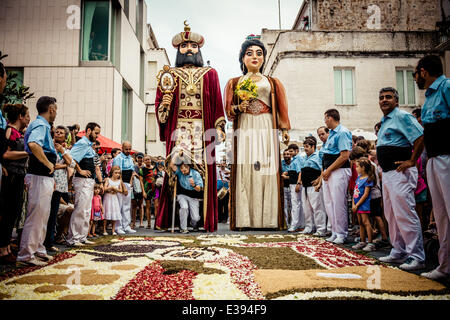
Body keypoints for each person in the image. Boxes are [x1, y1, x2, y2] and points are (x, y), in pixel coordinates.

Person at [155, 23, 225, 233]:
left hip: (201, 131)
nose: (188, 49)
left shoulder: (210, 74)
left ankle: (202, 220)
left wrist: (219, 127)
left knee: (204, 173)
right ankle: (173, 219)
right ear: (178, 50)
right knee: (174, 170)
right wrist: (165, 105)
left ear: (199, 50)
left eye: (193, 46)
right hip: (179, 130)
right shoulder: (169, 75)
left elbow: (217, 104)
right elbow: (161, 108)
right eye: (184, 46)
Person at [224, 35, 290, 230]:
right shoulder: (234, 82)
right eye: (249, 53)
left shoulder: (272, 82)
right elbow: (228, 111)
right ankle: (245, 219)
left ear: (264, 58)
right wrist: (239, 107)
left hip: (266, 126)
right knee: (246, 169)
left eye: (259, 53)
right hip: (245, 127)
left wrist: (284, 128)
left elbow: (282, 107)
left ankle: (268, 219)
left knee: (266, 167)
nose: (255, 57)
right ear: (242, 58)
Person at [376, 87, 426, 271]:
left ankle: (417, 256)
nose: (384, 100)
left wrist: (412, 161)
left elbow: (420, 137)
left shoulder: (402, 117)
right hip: (388, 173)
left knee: (405, 214)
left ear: (396, 101)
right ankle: (398, 250)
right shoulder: (385, 121)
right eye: (381, 97)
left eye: (388, 97)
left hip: (400, 172)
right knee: (391, 214)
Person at [414, 55, 450, 280]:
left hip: (448, 157)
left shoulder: (447, 87)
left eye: (416, 73)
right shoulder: (428, 98)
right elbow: (427, 134)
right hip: (434, 159)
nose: (415, 78)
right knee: (442, 216)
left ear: (424, 72)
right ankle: (445, 265)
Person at [16, 96, 58, 266]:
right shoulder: (41, 125)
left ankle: (38, 249)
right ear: (51, 109)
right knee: (36, 215)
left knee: (43, 215)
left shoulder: (42, 125)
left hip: (44, 177)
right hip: (39, 175)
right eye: (56, 109)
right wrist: (48, 163)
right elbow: (34, 144)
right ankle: (26, 254)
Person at [0, 104, 30, 264]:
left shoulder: (19, 133)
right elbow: (5, 153)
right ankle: (3, 249)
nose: (28, 119)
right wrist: (27, 152)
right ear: (20, 116)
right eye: (27, 115)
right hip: (10, 176)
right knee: (7, 212)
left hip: (19, 176)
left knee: (14, 212)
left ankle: (6, 247)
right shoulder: (10, 131)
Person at [319, 109, 353, 244]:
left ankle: (341, 233)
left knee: (338, 203)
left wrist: (329, 170)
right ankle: (334, 231)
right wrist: (325, 171)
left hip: (339, 171)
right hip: (329, 171)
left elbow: (344, 156)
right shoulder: (331, 134)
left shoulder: (342, 132)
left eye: (325, 118)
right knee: (329, 203)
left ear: (330, 118)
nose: (324, 121)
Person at [66, 122, 101, 246]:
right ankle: (73, 238)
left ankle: (82, 236)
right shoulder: (81, 143)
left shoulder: (88, 145)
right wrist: (79, 170)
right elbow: (71, 159)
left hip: (89, 180)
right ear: (88, 131)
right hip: (82, 179)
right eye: (96, 133)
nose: (97, 136)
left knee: (86, 210)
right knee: (80, 208)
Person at [44, 125, 75, 253]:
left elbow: (72, 163)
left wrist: (62, 150)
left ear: (65, 136)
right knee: (44, 213)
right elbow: (48, 164)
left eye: (61, 133)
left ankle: (49, 242)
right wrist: (63, 165)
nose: (58, 134)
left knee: (52, 214)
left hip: (59, 186)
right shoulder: (48, 144)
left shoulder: (64, 149)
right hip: (48, 181)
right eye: (57, 132)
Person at [298, 137, 327, 236]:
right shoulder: (304, 157)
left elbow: (323, 169)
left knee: (317, 207)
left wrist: (319, 180)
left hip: (314, 186)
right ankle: (309, 227)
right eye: (304, 146)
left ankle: (321, 229)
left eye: (307, 146)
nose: (305, 148)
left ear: (313, 147)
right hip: (305, 186)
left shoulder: (318, 155)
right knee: (306, 208)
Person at [170, 160, 203, 234]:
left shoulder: (196, 174)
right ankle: (183, 228)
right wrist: (176, 153)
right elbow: (171, 164)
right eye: (182, 170)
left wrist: (193, 185)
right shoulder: (180, 171)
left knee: (196, 218)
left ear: (188, 168)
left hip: (193, 195)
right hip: (182, 194)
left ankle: (193, 224)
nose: (183, 172)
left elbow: (199, 189)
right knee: (184, 207)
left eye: (184, 171)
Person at [351, 157, 376, 252]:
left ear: (363, 168)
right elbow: (355, 191)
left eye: (357, 167)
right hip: (357, 204)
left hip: (363, 205)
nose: (356, 168)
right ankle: (362, 241)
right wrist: (354, 203)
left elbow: (365, 194)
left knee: (366, 222)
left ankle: (370, 242)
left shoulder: (368, 180)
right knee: (360, 223)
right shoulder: (358, 178)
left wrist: (357, 205)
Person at [112, 141, 136, 235]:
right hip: (120, 183)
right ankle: (118, 227)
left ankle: (126, 226)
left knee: (127, 206)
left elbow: (132, 172)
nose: (128, 151)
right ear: (122, 148)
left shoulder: (130, 158)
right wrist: (123, 186)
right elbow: (118, 173)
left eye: (130, 149)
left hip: (127, 183)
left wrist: (129, 185)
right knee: (119, 205)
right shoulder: (118, 158)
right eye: (126, 149)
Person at [281, 149, 302, 232]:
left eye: (289, 153)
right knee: (286, 206)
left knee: (295, 205)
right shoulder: (282, 164)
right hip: (286, 186)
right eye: (285, 153)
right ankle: (287, 224)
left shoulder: (297, 161)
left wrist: (298, 183)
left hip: (294, 185)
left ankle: (295, 224)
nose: (287, 155)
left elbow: (298, 174)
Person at [102, 166, 125, 236]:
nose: (117, 174)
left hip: (114, 198)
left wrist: (116, 190)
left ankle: (113, 230)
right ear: (112, 173)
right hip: (108, 197)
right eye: (116, 173)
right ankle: (104, 229)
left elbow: (121, 190)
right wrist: (111, 187)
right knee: (106, 212)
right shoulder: (108, 180)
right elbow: (104, 188)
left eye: (118, 173)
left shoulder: (119, 181)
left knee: (114, 213)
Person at [142, 155, 158, 229]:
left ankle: (156, 223)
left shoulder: (155, 168)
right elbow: (141, 181)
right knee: (148, 206)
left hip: (156, 188)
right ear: (144, 161)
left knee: (156, 206)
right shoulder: (142, 169)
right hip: (147, 189)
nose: (148, 161)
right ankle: (149, 224)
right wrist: (143, 191)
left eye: (148, 159)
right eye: (146, 160)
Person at [131, 152, 146, 229]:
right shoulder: (134, 167)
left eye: (141, 158)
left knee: (141, 205)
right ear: (136, 158)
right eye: (139, 158)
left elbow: (143, 178)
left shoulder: (144, 167)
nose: (140, 159)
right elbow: (133, 175)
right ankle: (133, 223)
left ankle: (141, 222)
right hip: (135, 188)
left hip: (142, 187)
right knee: (134, 206)